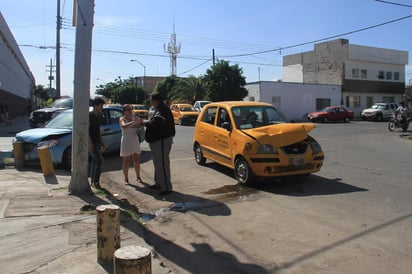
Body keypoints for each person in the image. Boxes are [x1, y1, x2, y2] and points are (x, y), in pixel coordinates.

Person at [142, 93, 176, 195]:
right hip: (157, 140)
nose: (150, 102)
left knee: (162, 163)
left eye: (151, 100)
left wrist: (143, 123)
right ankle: (159, 182)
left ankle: (166, 187)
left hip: (162, 140)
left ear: (156, 100)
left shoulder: (163, 109)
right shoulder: (158, 108)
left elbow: (156, 122)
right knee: (158, 163)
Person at [119, 104, 144, 185]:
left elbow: (140, 127)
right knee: (126, 161)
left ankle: (138, 176)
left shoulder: (135, 118)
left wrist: (140, 124)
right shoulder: (122, 119)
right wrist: (133, 122)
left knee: (136, 159)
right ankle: (126, 179)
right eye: (128, 109)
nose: (130, 111)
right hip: (126, 141)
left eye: (131, 109)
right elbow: (124, 127)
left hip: (134, 140)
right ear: (124, 111)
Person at [89, 97, 106, 188]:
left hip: (97, 141)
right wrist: (90, 142)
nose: (102, 107)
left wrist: (102, 143)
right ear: (95, 105)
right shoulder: (90, 116)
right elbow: (87, 130)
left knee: (95, 162)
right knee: (100, 161)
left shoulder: (98, 116)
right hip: (92, 141)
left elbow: (98, 131)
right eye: (101, 105)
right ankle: (96, 181)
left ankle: (93, 181)